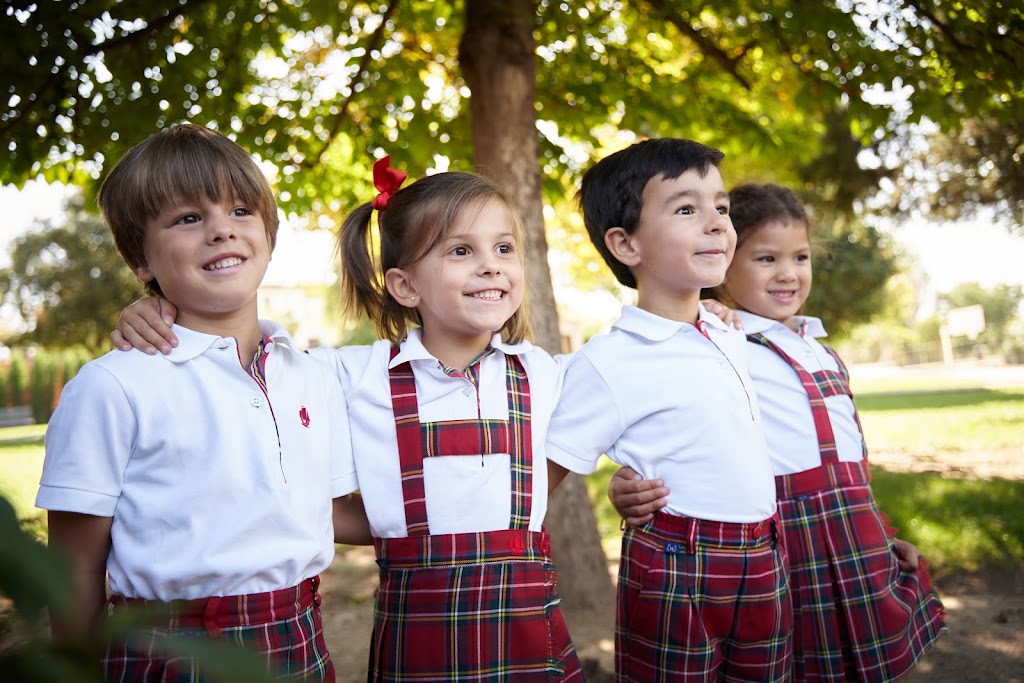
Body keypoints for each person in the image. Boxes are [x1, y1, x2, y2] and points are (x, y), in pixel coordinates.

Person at [111, 157, 584, 681]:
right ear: (405, 287)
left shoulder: (546, 374)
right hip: (418, 635)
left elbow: (633, 408)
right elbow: (244, 355)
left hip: (529, 631)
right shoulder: (346, 375)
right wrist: (156, 309)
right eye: (460, 251)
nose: (492, 265)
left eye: (503, 248)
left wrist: (628, 487)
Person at [37, 123, 369, 682]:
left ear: (268, 232)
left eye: (241, 209)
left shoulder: (313, 377)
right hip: (169, 652)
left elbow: (327, 511)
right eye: (188, 218)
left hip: (299, 638)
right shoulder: (112, 387)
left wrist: (456, 515)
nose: (221, 230)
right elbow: (74, 566)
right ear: (141, 260)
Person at [610, 183, 947, 681]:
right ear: (725, 262)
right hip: (782, 538)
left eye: (801, 257)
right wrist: (629, 478)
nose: (788, 273)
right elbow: (673, 419)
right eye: (766, 258)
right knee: (788, 663)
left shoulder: (822, 348)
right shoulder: (718, 341)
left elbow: (850, 460)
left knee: (854, 662)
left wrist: (881, 532)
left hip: (851, 532)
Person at [545, 138, 792, 682]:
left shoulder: (725, 329)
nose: (716, 224)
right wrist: (619, 487)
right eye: (686, 209)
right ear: (626, 244)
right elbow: (546, 473)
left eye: (721, 208)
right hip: (678, 563)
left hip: (764, 554)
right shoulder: (610, 360)